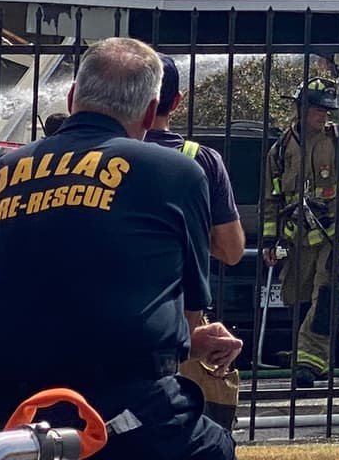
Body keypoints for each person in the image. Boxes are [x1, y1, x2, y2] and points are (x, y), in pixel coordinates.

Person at [0, 37, 240, 460]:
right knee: (215, 446)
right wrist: (194, 340)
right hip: (121, 414)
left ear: (74, 97)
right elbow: (187, 311)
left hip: (7, 412)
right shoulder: (176, 171)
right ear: (151, 113)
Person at [145, 54, 245, 428]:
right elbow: (232, 251)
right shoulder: (201, 160)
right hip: (183, 320)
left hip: (113, 320)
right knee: (193, 429)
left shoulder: (102, 157)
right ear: (177, 101)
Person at [260, 75, 339, 387]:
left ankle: (309, 363)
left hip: (334, 237)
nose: (325, 116)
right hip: (297, 240)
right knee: (298, 297)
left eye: (328, 111)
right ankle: (309, 357)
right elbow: (271, 200)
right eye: (319, 110)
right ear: (302, 109)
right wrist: (270, 240)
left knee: (326, 295)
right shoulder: (279, 152)